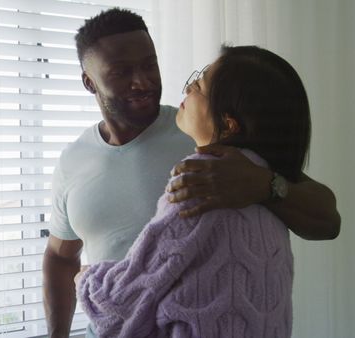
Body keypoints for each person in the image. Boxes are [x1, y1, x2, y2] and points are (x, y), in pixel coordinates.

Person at [42, 8, 341, 338]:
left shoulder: (212, 142)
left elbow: (328, 219)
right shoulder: (73, 161)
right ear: (89, 82)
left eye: (149, 64)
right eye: (121, 71)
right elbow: (59, 256)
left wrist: (263, 184)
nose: (142, 80)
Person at [75, 44, 307, 337]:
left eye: (198, 86)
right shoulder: (267, 178)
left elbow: (123, 301)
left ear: (228, 122)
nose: (186, 90)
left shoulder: (201, 179)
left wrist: (86, 280)